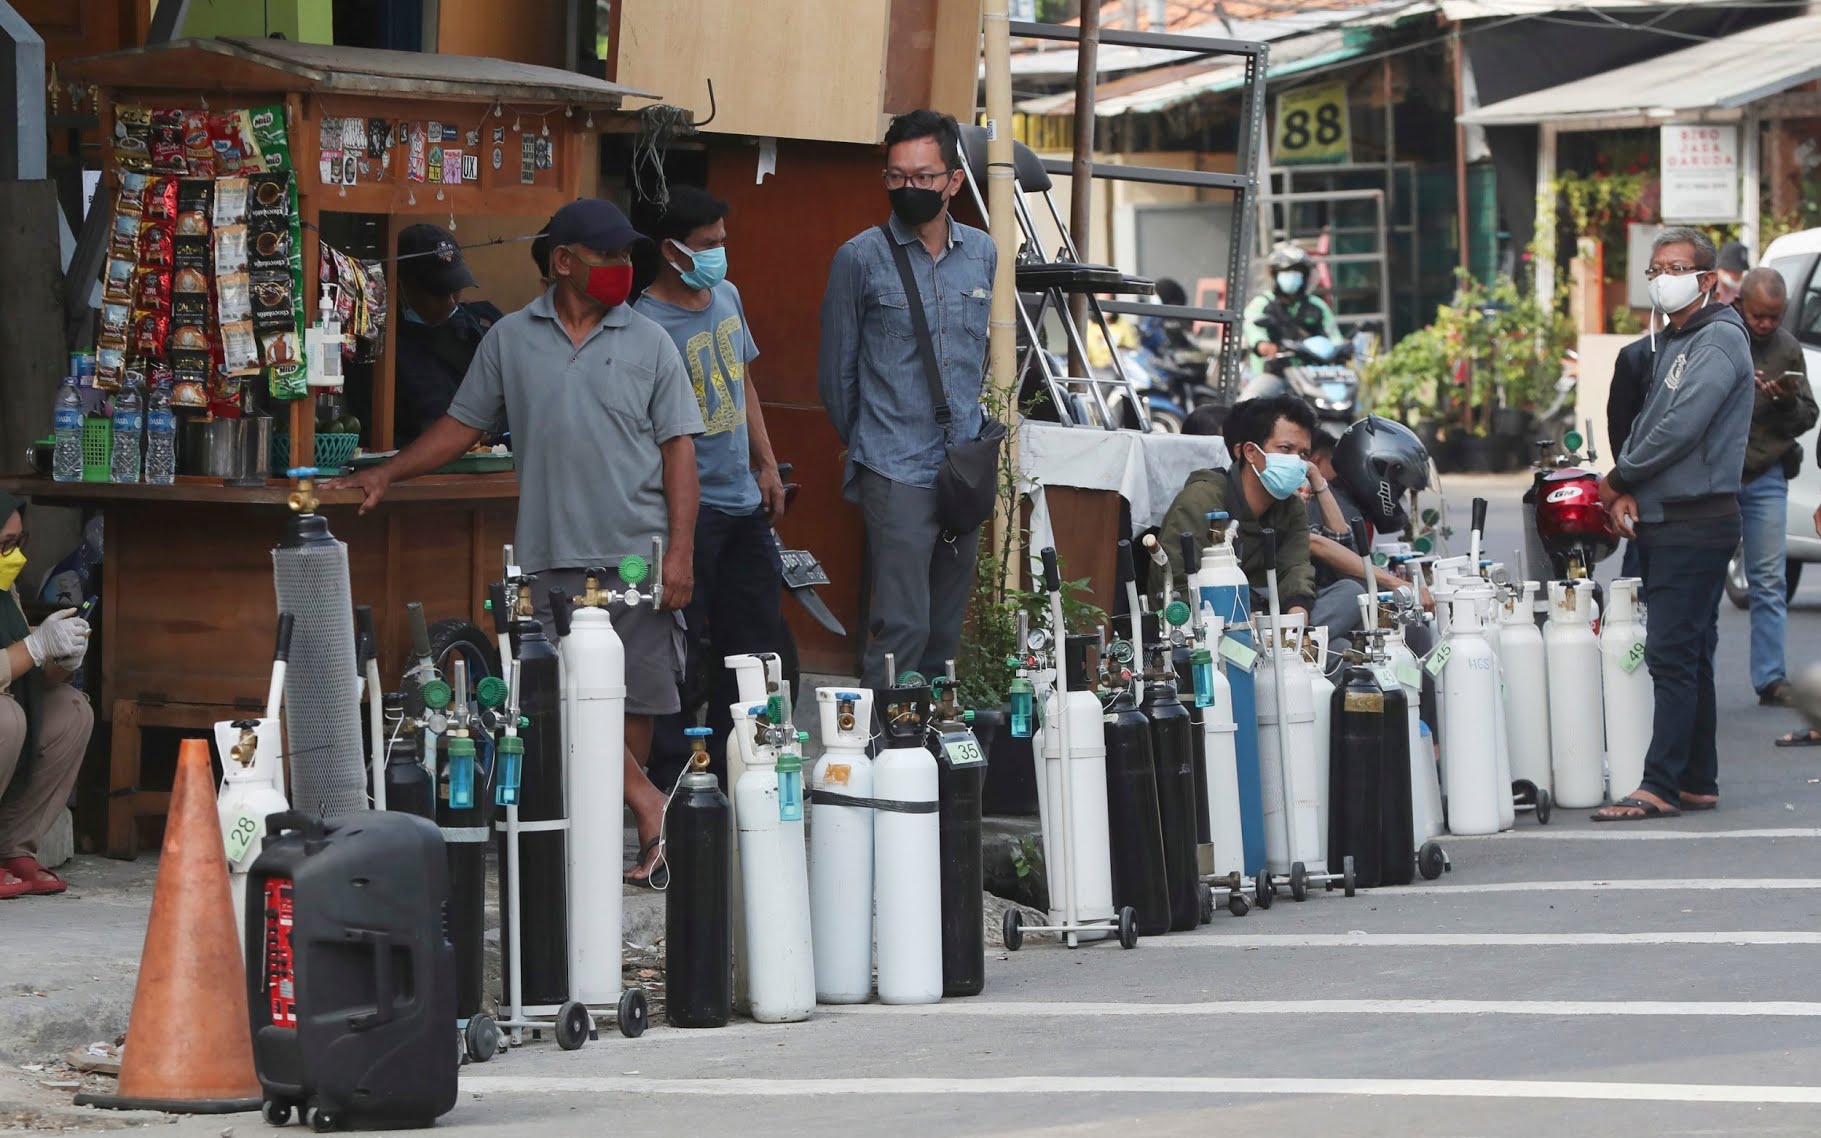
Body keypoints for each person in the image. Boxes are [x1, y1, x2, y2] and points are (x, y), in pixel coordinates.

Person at [328, 199, 706, 883]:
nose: (623, 270)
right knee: (561, 702)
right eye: (608, 258)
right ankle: (647, 806)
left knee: (635, 704)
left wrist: (679, 554)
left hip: (638, 555)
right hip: (549, 555)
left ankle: (622, 839)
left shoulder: (650, 341)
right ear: (564, 262)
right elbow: (462, 425)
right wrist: (385, 473)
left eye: (627, 258)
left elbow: (680, 452)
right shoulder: (508, 338)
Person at [818, 109, 997, 692]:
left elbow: (979, 361)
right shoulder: (860, 258)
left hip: (963, 468)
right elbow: (836, 376)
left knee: (947, 629)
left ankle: (934, 749)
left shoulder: (983, 254)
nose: (909, 189)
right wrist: (872, 442)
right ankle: (878, 751)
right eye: (896, 177)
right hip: (893, 465)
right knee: (902, 626)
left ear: (953, 181)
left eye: (923, 177)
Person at [1594, 227, 1754, 821]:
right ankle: (1696, 779)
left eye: (1676, 268)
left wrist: (1620, 479)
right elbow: (1646, 420)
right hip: (1673, 515)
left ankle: (1659, 783)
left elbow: (1678, 429)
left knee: (1670, 654)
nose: (1663, 278)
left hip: (1695, 519)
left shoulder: (1715, 343)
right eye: (1655, 269)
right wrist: (1628, 483)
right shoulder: (1678, 340)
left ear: (1709, 280)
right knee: (1690, 652)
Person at [634, 186, 790, 785]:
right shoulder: (645, 326)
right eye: (708, 245)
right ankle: (675, 775)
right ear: (672, 251)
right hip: (688, 512)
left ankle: (741, 764)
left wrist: (767, 463)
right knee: (678, 650)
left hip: (744, 505)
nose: (720, 254)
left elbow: (742, 381)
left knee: (752, 645)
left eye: (723, 242)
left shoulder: (727, 296)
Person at [1160, 395, 1347, 636]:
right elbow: (1178, 582)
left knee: (1350, 594)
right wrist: (1246, 624)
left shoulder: (1292, 506)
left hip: (1273, 618)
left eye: (1303, 454)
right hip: (1214, 623)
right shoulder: (1201, 500)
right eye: (1285, 449)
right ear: (1250, 452)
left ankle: (1301, 645)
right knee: (1336, 647)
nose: (1295, 461)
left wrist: (1295, 625)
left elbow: (1296, 569)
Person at [1730, 269, 1819, 724]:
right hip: (1718, 476)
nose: (1764, 325)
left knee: (1769, 581)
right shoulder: (1720, 336)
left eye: (1773, 317)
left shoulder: (1787, 347)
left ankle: (1770, 678)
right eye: (1757, 316)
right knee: (1702, 581)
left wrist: (1784, 399)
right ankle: (1691, 675)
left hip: (1766, 474)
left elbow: (1808, 413)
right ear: (1740, 304)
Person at [0, 494, 93, 898]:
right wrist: (36, 646)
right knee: (6, 719)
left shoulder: (5, 590)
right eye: (4, 543)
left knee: (73, 711)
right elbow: (23, 655)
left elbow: (29, 672)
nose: (13, 555)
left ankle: (12, 848)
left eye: (18, 543)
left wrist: (62, 658)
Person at [393, 224, 502, 446]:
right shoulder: (384, 348)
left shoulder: (487, 322)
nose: (451, 300)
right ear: (402, 286)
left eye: (456, 287)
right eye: (438, 293)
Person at [1240, 243, 1343, 400]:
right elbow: (1252, 327)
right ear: (1274, 274)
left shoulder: (1317, 305)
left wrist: (1342, 348)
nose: (1292, 275)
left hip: (1313, 376)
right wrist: (1263, 345)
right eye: (1286, 271)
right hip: (1275, 373)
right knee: (1246, 405)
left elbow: (1333, 335)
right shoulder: (1261, 303)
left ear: (1306, 275)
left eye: (1297, 271)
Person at [1714, 240, 1750, 307]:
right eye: (1735, 271)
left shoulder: (1740, 293)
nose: (1738, 275)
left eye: (1741, 271)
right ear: (1720, 269)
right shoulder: (1709, 292)